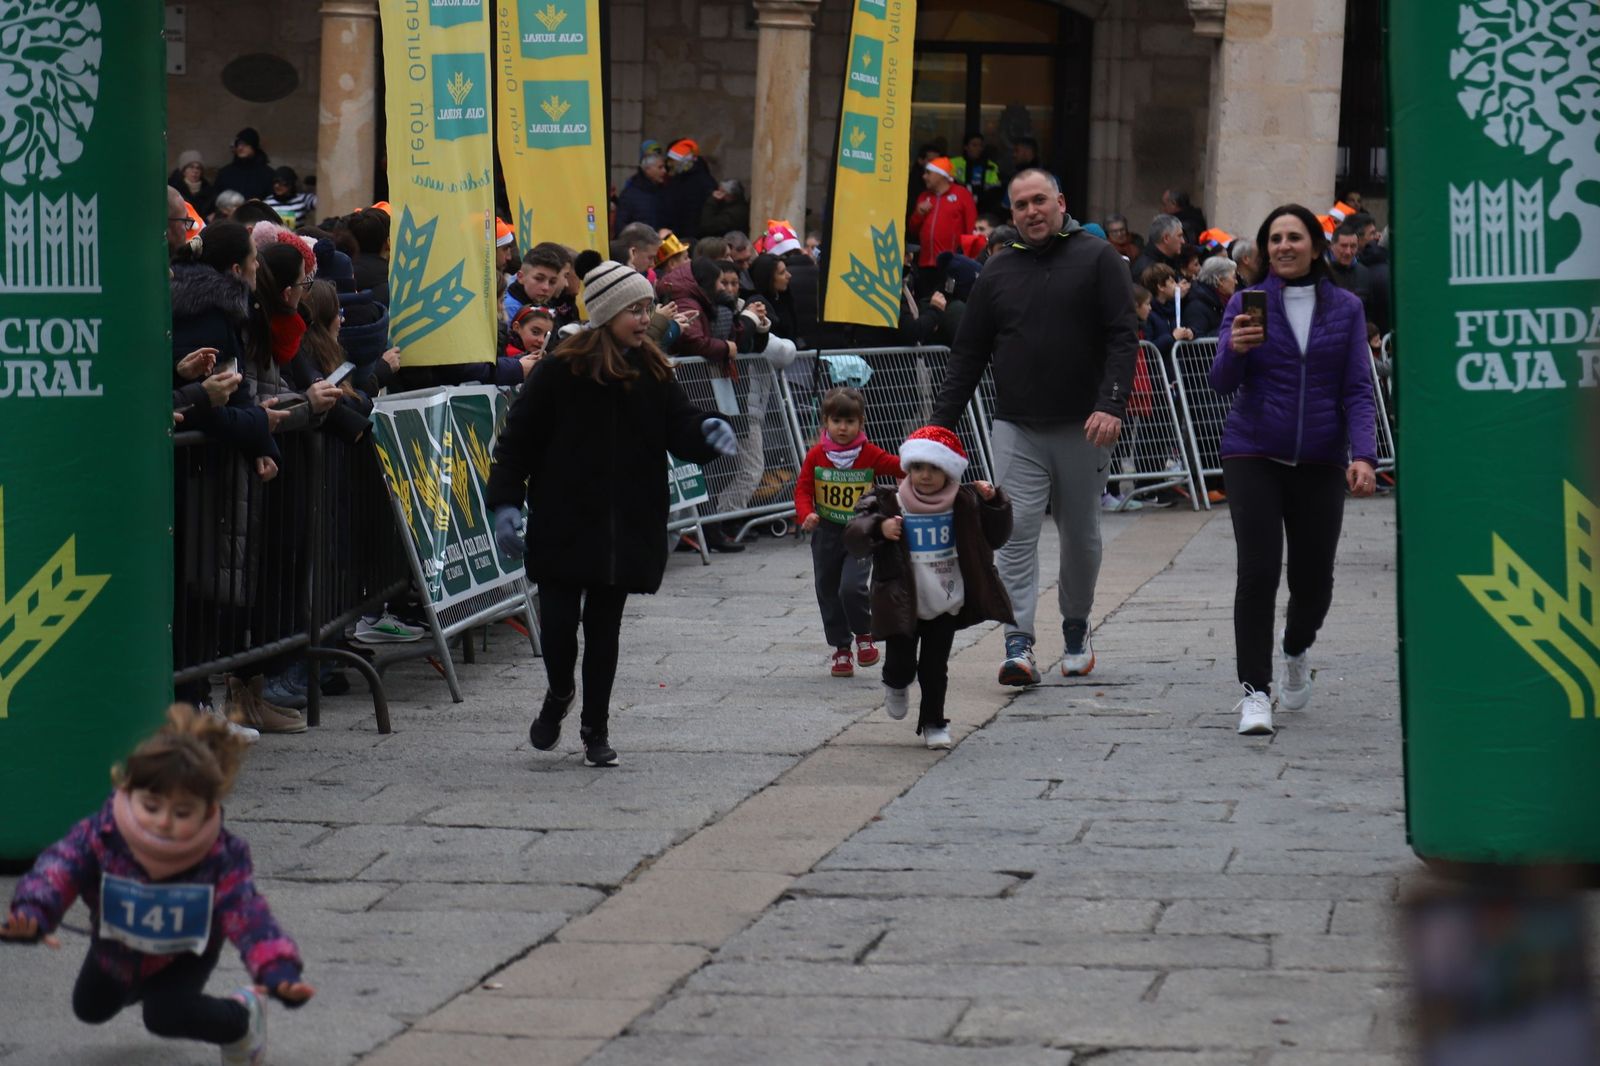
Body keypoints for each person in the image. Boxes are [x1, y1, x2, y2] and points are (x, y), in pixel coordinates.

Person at [487, 261, 738, 767]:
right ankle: (560, 694)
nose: (645, 318)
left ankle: (594, 730)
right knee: (558, 627)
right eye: (634, 309)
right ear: (605, 313)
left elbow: (680, 425)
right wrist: (506, 503)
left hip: (626, 521)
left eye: (647, 308)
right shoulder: (561, 368)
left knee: (605, 630)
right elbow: (519, 440)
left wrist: (707, 433)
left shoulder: (653, 369)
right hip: (564, 517)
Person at [1, 705, 313, 1063]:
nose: (163, 822)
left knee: (165, 1015)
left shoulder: (221, 856)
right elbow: (58, 867)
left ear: (208, 810)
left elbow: (250, 917)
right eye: (152, 806)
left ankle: (243, 1018)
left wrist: (277, 970)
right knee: (89, 1007)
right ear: (128, 791)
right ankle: (140, 983)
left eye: (182, 813)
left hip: (185, 952)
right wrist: (33, 912)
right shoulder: (103, 832)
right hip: (118, 943)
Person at [931, 168, 1137, 686]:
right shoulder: (999, 272)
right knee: (1015, 533)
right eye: (1020, 205)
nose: (1030, 212)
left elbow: (1122, 336)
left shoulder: (1098, 259)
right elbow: (968, 355)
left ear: (1060, 201)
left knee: (1081, 536)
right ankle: (1017, 643)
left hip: (1084, 427)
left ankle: (1075, 627)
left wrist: (1111, 404)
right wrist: (936, 429)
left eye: (1039, 200)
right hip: (1016, 425)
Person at [1211, 203, 1379, 736]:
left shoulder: (1347, 307)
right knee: (1258, 573)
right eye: (1275, 238)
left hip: (1321, 458)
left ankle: (1296, 646)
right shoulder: (1246, 302)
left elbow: (1357, 386)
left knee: (1314, 580)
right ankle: (1255, 693)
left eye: (1295, 236)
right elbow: (1219, 382)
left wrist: (1364, 455)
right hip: (1253, 450)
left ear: (1316, 244)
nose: (1284, 246)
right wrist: (1234, 349)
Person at [845, 426, 1014, 748]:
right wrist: (879, 526)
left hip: (945, 601)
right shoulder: (888, 500)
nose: (925, 476)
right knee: (901, 663)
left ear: (949, 471)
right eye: (919, 468)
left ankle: (934, 721)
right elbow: (854, 535)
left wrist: (994, 502)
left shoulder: (964, 501)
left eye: (935, 468)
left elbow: (997, 535)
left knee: (935, 668)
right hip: (902, 600)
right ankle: (895, 682)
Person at [794, 387, 905, 679]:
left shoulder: (869, 453)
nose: (843, 428)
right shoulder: (817, 455)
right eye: (837, 421)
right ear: (825, 423)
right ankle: (841, 649)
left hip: (860, 532)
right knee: (827, 590)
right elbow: (803, 489)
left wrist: (923, 465)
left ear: (861, 423)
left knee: (852, 587)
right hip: (827, 533)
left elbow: (898, 467)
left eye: (850, 422)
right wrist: (807, 514)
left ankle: (864, 635)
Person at [911, 157, 977, 297]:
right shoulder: (923, 196)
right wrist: (918, 214)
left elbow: (971, 230)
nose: (924, 176)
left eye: (928, 173)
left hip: (950, 265)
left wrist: (967, 259)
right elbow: (912, 230)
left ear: (940, 174)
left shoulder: (962, 194)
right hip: (925, 264)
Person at [660, 139, 716, 238]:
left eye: (672, 160)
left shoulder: (703, 182)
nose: (668, 164)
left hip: (693, 238)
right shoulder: (677, 179)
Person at [213, 128, 274, 201]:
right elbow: (216, 198)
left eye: (245, 144)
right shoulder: (225, 173)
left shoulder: (267, 174)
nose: (240, 148)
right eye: (238, 144)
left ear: (253, 146)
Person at [1185, 255, 1237, 338]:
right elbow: (1198, 345)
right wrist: (1230, 329)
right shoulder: (1196, 306)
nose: (1236, 282)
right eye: (1233, 277)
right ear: (1220, 281)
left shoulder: (1222, 301)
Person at [615, 152, 668, 232]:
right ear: (647, 169)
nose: (664, 171)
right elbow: (621, 225)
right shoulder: (630, 194)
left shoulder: (664, 191)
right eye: (660, 167)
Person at [951, 132, 1002, 211]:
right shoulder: (953, 163)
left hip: (983, 208)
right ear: (966, 147)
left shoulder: (991, 166)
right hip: (956, 205)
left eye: (980, 146)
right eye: (974, 145)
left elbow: (994, 189)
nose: (978, 148)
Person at [1130, 214, 1185, 282]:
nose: (1183, 241)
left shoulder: (1172, 259)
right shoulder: (1145, 270)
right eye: (1179, 236)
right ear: (1166, 238)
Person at [169, 150, 216, 218]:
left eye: (198, 168)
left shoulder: (209, 192)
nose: (195, 171)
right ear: (184, 171)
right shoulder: (174, 190)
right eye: (191, 167)